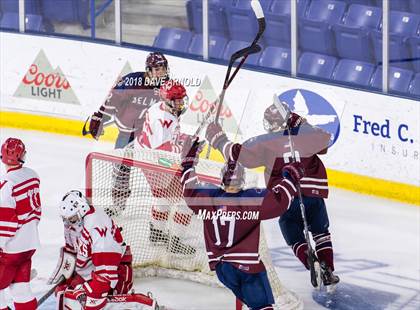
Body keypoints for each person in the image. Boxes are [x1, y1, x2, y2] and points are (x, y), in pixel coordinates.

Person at [205, 98, 340, 290]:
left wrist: (218, 139)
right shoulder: (304, 135)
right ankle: (329, 270)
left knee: (293, 234)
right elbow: (325, 141)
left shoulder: (265, 142)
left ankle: (312, 264)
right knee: (321, 233)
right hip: (313, 193)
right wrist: (303, 124)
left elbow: (240, 155)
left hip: (286, 195)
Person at [180, 137, 304, 310]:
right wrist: (291, 178)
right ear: (242, 180)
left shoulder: (207, 198)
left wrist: (188, 164)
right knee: (263, 307)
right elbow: (281, 202)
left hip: (222, 270)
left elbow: (189, 190)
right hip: (247, 269)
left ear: (222, 180)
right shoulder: (251, 199)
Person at [88, 52, 170, 210]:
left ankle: (164, 208)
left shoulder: (167, 86)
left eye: (163, 68)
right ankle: (118, 208)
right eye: (157, 68)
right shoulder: (132, 81)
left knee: (161, 170)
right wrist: (100, 117)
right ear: (148, 69)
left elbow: (176, 106)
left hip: (149, 136)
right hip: (127, 133)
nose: (161, 72)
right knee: (120, 170)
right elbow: (113, 99)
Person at [48, 190, 156, 310]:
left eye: (71, 219)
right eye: (65, 219)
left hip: (116, 273)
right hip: (91, 271)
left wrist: (91, 294)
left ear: (82, 210)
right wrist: (69, 277)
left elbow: (107, 274)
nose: (67, 223)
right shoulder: (73, 224)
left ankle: (142, 305)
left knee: (92, 303)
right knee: (64, 292)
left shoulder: (97, 227)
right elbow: (72, 252)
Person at [135, 79, 195, 255]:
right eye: (178, 100)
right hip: (155, 161)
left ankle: (156, 232)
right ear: (169, 101)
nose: (182, 103)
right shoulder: (163, 119)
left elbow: (168, 138)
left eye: (182, 99)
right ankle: (175, 242)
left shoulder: (158, 108)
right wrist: (187, 147)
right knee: (186, 200)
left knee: (163, 197)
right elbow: (163, 149)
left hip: (146, 157)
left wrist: (183, 139)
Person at [0, 138, 40, 310]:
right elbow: (37, 212)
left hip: (11, 250)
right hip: (30, 243)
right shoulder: (33, 175)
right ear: (23, 156)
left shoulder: (7, 185)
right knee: (20, 289)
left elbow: (6, 224)